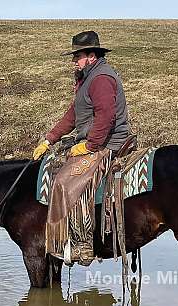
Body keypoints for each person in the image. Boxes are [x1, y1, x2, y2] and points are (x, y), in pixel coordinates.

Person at [32, 31, 131, 266]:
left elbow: (106, 116)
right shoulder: (87, 78)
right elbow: (74, 114)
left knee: (68, 181)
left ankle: (83, 244)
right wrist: (50, 139)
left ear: (91, 56)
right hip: (97, 139)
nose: (73, 61)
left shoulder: (100, 79)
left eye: (77, 56)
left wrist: (89, 145)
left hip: (109, 142)